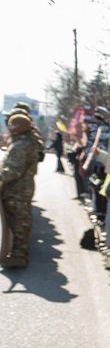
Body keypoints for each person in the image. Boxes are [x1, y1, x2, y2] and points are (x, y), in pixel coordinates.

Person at [0, 110, 41, 269]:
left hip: (18, 190)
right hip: (18, 189)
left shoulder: (21, 145)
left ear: (19, 126)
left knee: (19, 222)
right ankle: (17, 252)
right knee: (17, 220)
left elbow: (13, 170)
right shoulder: (21, 141)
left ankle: (19, 255)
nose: (9, 126)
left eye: (12, 123)